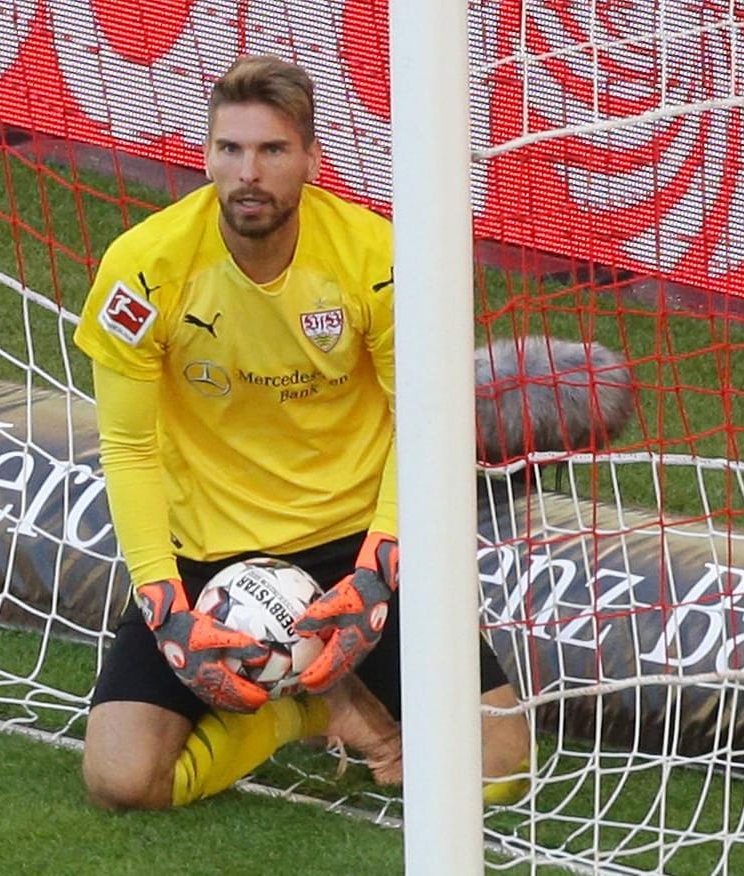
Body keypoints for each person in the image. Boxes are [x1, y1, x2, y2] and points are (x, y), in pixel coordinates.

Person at [74, 53, 530, 811]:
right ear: (207, 156)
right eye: (230, 149)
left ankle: (324, 688)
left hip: (352, 541)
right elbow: (128, 446)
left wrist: (380, 565)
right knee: (122, 781)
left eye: (272, 150)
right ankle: (304, 709)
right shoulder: (144, 270)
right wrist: (164, 601)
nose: (248, 173)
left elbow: (424, 425)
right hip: (205, 552)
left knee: (498, 766)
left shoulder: (378, 261)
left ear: (313, 160)